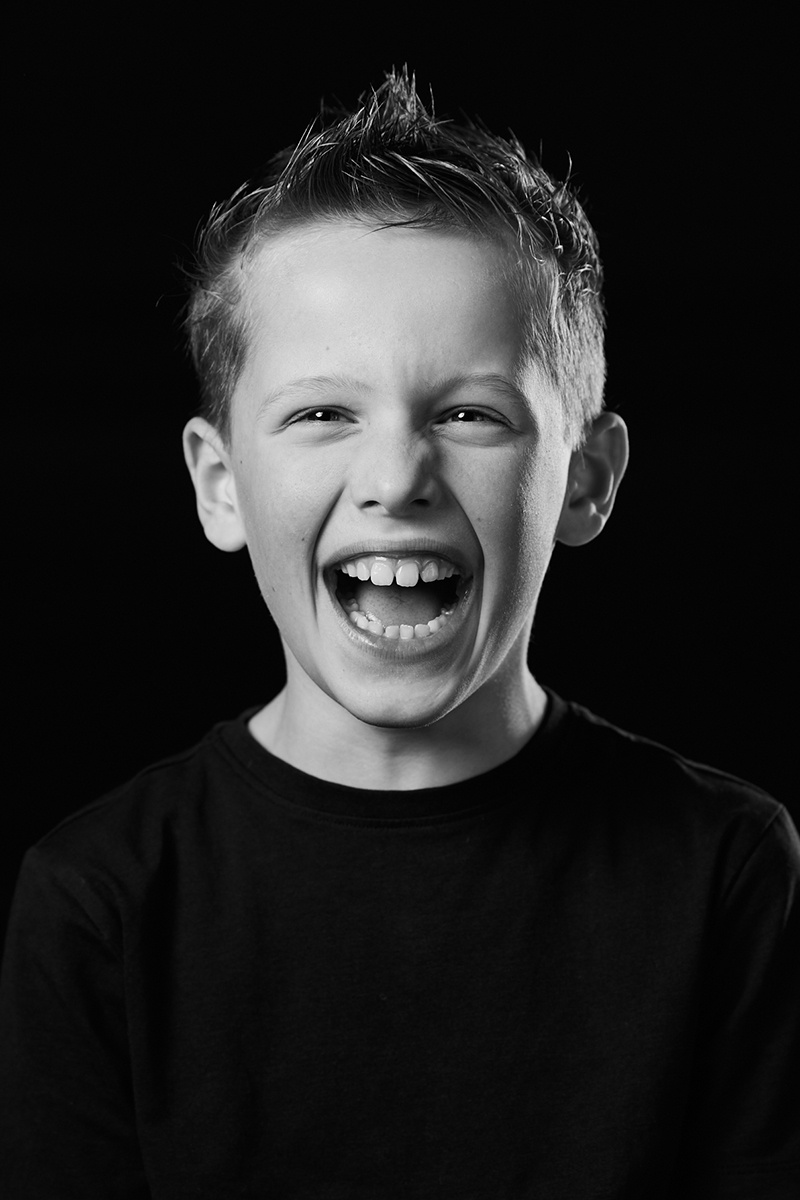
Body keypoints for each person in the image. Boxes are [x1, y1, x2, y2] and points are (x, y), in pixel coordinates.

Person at [1, 68, 798, 1199]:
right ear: (221, 485)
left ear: (585, 479)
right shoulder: (100, 899)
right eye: (323, 412)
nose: (395, 477)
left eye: (469, 413)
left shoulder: (724, 869)